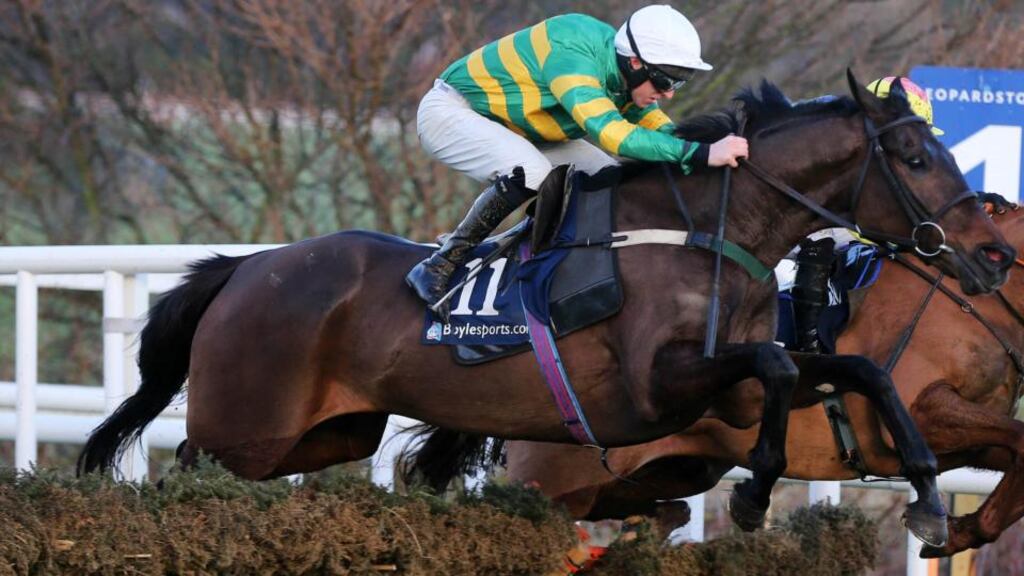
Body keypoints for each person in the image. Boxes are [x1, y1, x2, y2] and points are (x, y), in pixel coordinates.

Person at [408, 5, 749, 318]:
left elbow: (656, 125)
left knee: (607, 178)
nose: (670, 92)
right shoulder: (573, 51)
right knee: (532, 173)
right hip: (451, 111)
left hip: (519, 129)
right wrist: (700, 153)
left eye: (679, 82)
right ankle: (440, 264)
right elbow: (612, 135)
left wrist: (703, 149)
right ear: (634, 63)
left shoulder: (623, 69)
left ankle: (524, 257)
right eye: (665, 80)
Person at [787, 76, 944, 352]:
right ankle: (808, 350)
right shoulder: (832, 137)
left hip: (854, 230)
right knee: (819, 246)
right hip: (804, 224)